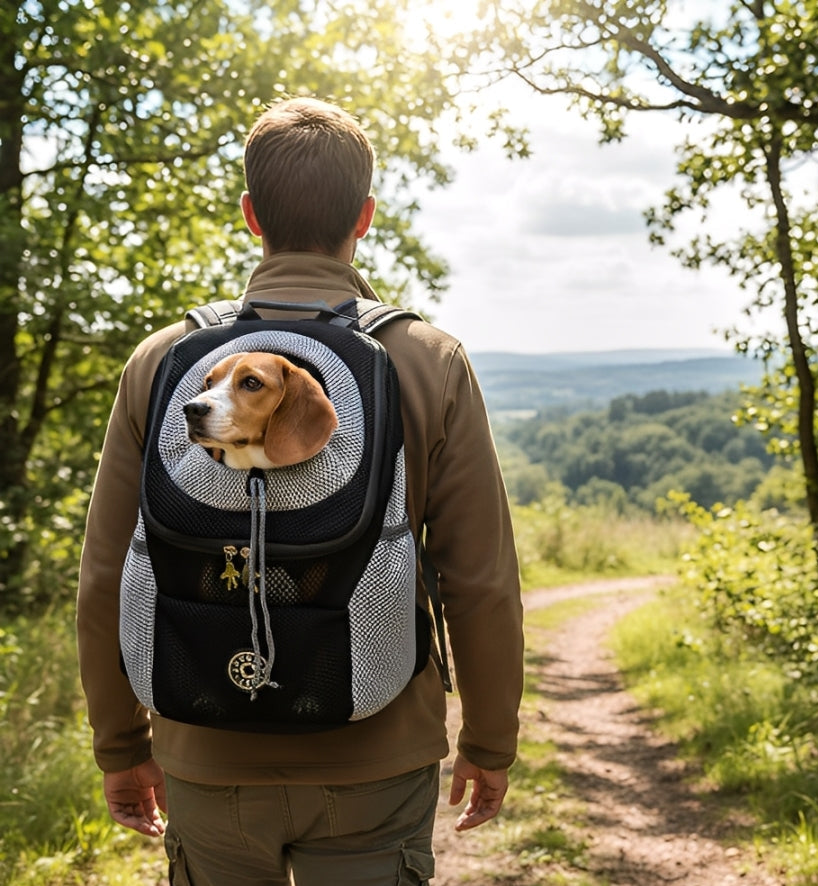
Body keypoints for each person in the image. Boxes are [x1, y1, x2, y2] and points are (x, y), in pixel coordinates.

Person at [77, 96, 524, 886]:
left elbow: (108, 572)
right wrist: (489, 742)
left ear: (251, 216)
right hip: (376, 753)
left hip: (205, 750)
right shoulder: (428, 358)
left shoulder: (165, 361)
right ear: (366, 215)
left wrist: (121, 746)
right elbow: (480, 581)